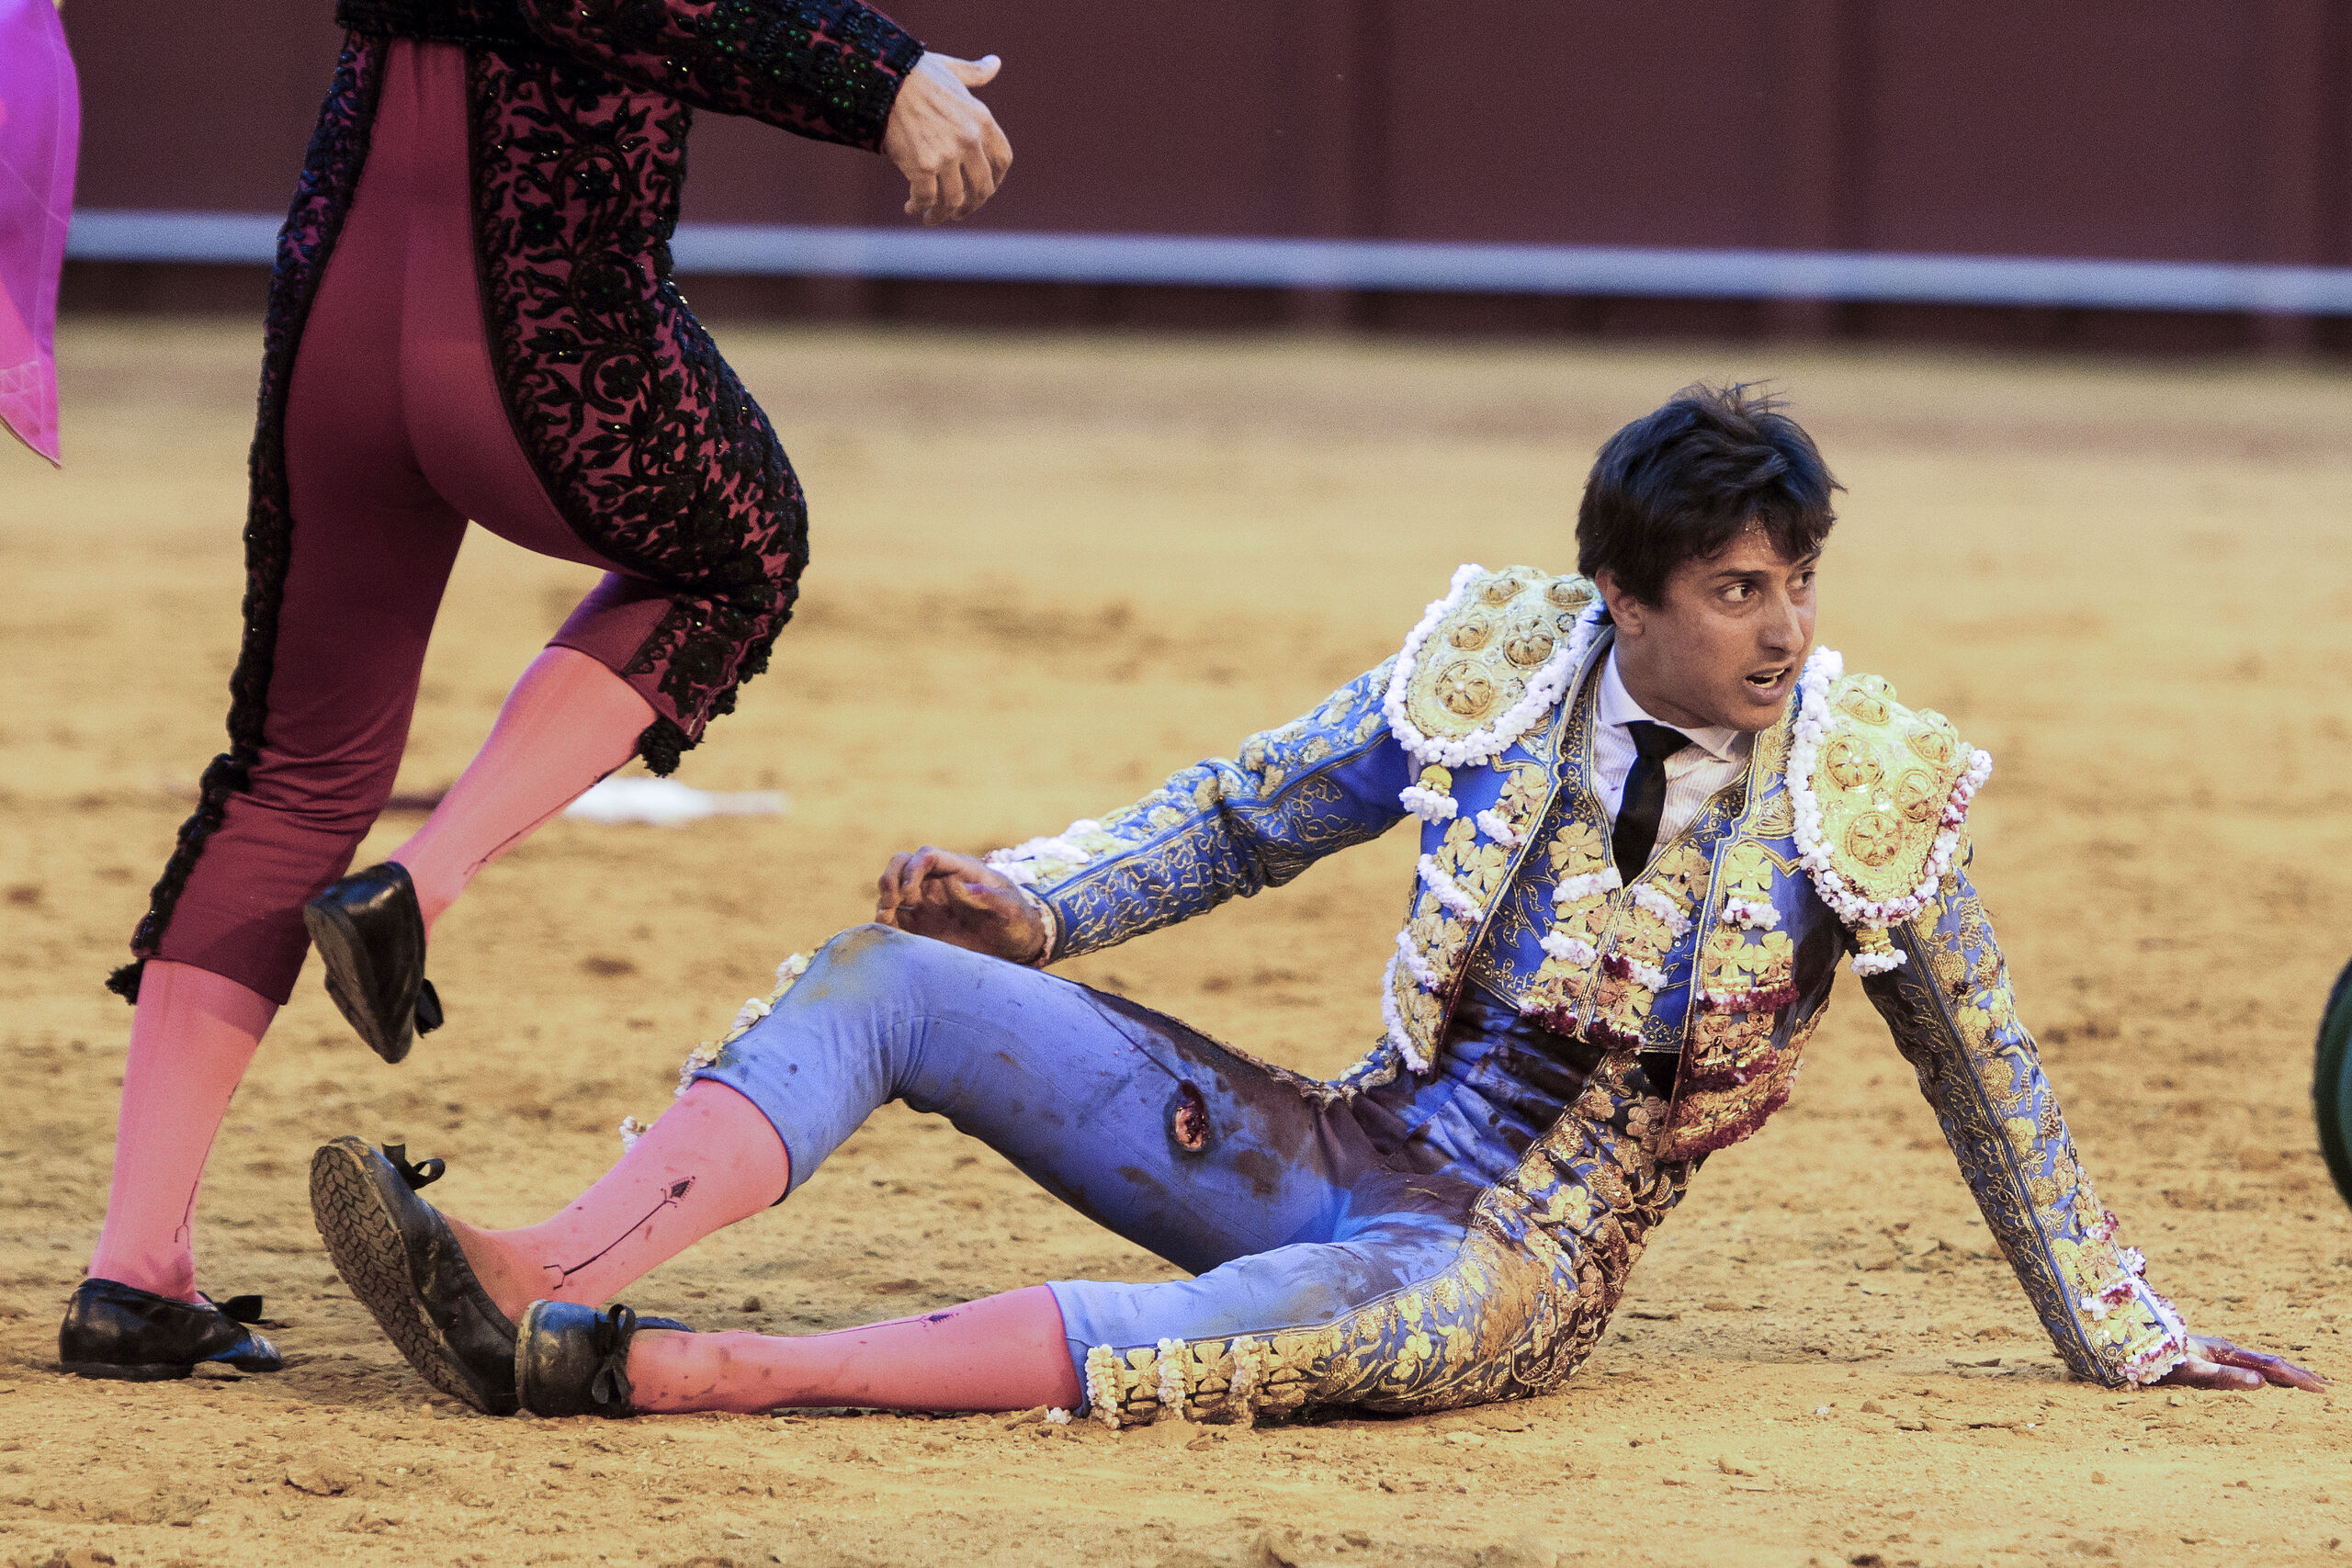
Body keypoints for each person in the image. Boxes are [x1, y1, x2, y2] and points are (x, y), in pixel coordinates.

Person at [312, 385, 2323, 1419]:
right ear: (1623, 595)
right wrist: (1023, 904)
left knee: (1252, 1329)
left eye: (1792, 582)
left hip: (1510, 1266)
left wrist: (2123, 1327)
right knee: (887, 972)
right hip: (1342, 1141)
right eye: (1734, 589)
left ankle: (657, 1368)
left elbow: (1990, 1068)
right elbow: (1235, 817)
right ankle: (529, 1277)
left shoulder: (1864, 784)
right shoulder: (1498, 658)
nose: (1783, 628)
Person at [62, 0, 1012, 1381]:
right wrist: (876, 80)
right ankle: (421, 887)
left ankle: (133, 1275)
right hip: (531, 312)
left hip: (340, 291)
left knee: (292, 767)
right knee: (741, 552)